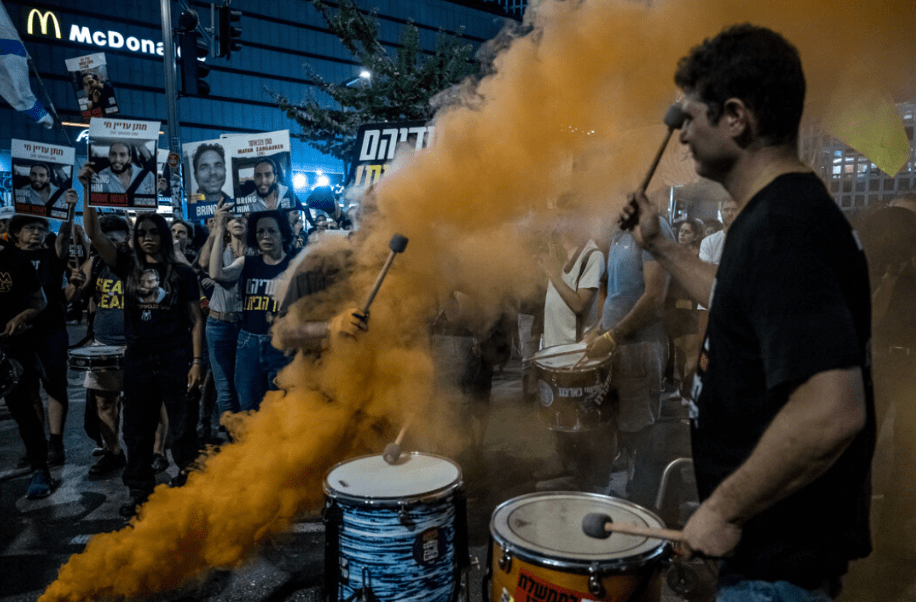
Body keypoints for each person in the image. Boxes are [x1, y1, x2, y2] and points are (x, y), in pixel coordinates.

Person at [606, 24, 874, 599]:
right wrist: (659, 244)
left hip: (777, 569)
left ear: (735, 117)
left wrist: (723, 509)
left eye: (689, 117)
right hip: (768, 561)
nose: (680, 135)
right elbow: (737, 298)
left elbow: (833, 408)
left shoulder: (783, 227)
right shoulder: (779, 215)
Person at [82, 166, 205, 517]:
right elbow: (94, 234)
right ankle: (139, 489)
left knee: (182, 425)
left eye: (154, 232)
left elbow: (196, 320)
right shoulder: (126, 265)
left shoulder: (182, 273)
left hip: (175, 355)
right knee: (137, 426)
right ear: (136, 238)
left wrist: (197, 362)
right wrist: (88, 191)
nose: (148, 237)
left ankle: (188, 479)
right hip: (137, 357)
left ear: (164, 236)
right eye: (142, 233)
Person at [8, 194, 78, 466]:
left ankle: (56, 443)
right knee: (27, 391)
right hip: (19, 334)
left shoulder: (51, 255)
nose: (36, 232)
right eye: (30, 228)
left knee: (55, 387)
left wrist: (70, 208)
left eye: (40, 228)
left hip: (50, 331)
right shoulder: (8, 258)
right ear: (16, 232)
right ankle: (36, 445)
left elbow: (64, 236)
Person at [208, 207, 297, 411]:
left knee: (282, 408)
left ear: (283, 234)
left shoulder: (294, 264)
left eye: (271, 231)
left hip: (283, 343)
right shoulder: (247, 262)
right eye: (260, 231)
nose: (265, 236)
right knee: (248, 407)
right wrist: (220, 228)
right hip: (249, 344)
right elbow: (216, 274)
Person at [0, 236, 51, 498]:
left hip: (12, 348)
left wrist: (21, 316)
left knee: (23, 412)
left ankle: (40, 469)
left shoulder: (15, 260)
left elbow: (39, 301)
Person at [197, 201, 249, 417]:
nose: (237, 220)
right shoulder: (221, 247)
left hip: (245, 326)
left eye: (242, 216)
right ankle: (230, 434)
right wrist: (217, 228)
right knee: (225, 389)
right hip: (219, 325)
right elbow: (204, 264)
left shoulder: (255, 253)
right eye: (232, 217)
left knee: (245, 386)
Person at [90, 142, 156, 196]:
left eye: (122, 155)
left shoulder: (148, 176)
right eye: (113, 154)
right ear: (109, 156)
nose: (117, 159)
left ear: (129, 158)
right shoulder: (101, 176)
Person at [698, 198, 738, 265]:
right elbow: (705, 268)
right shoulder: (708, 242)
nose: (730, 213)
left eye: (734, 210)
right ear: (720, 212)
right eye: (726, 210)